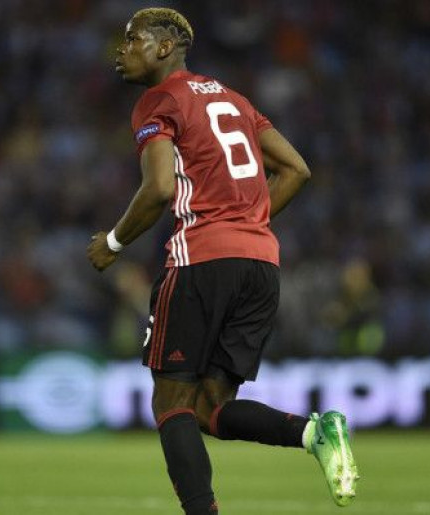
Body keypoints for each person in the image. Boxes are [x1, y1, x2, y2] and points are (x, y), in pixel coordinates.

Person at [86, 7, 359, 514]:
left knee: (170, 404)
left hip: (201, 260)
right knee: (210, 407)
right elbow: (296, 169)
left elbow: (159, 188)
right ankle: (314, 433)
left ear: (164, 48)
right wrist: (247, 220)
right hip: (261, 265)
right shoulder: (234, 100)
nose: (121, 50)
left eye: (132, 39)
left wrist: (115, 243)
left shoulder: (158, 100)